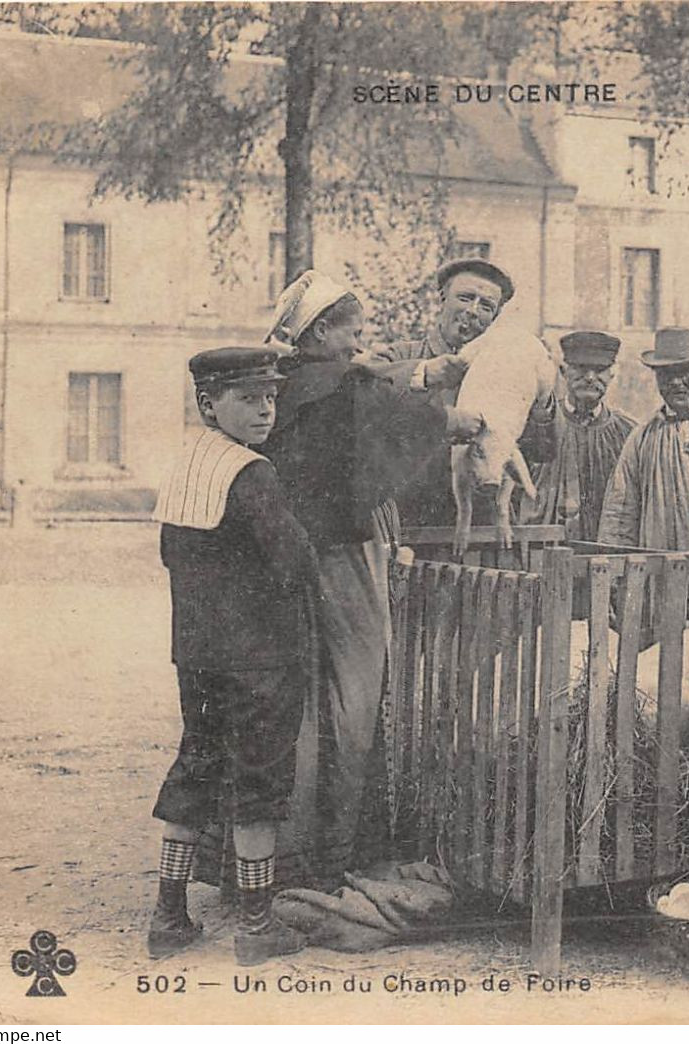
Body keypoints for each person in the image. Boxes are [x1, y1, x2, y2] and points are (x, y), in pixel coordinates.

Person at [261, 271, 481, 886]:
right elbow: (413, 422)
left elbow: (377, 387)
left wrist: (408, 375)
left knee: (305, 702)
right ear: (321, 330)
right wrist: (461, 421)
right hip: (346, 556)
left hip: (296, 559)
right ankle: (341, 852)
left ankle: (285, 854)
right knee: (360, 695)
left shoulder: (291, 386)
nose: (361, 342)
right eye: (353, 331)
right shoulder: (340, 389)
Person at [149, 348, 317, 965]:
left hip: (195, 654)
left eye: (269, 397)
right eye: (248, 398)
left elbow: (173, 557)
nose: (265, 409)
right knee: (259, 782)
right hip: (260, 658)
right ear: (209, 403)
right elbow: (294, 563)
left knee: (194, 767)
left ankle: (168, 917)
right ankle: (256, 925)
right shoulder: (251, 473)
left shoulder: (187, 463)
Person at [373, 257, 555, 529]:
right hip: (410, 525)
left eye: (486, 306)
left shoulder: (510, 370)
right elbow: (365, 398)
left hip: (484, 529)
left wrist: (542, 396)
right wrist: (426, 379)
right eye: (465, 298)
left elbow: (541, 451)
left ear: (494, 318)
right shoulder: (403, 356)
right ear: (442, 298)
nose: (473, 311)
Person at [598, 327, 689, 551]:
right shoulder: (642, 438)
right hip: (663, 571)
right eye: (666, 374)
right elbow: (620, 515)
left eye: (685, 371)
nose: (676, 382)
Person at [521, 330, 636, 543]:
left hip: (606, 553)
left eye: (600, 370)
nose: (590, 378)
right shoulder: (536, 424)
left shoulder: (629, 432)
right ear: (564, 371)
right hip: (543, 550)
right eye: (581, 368)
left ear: (612, 374)